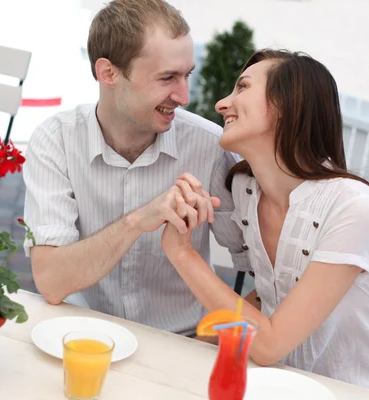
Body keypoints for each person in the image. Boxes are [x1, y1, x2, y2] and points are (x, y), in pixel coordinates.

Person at [161, 49, 369, 398]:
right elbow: (272, 297)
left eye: (242, 88)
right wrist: (189, 343)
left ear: (286, 105)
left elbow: (270, 343)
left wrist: (183, 253)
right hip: (277, 385)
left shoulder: (353, 208)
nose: (221, 103)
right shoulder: (245, 189)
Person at [21, 0, 250, 337]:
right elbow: (51, 282)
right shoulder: (55, 141)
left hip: (184, 341)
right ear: (108, 73)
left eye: (187, 75)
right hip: (83, 334)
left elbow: (259, 268)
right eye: (168, 77)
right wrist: (137, 222)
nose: (184, 96)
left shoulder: (210, 146)